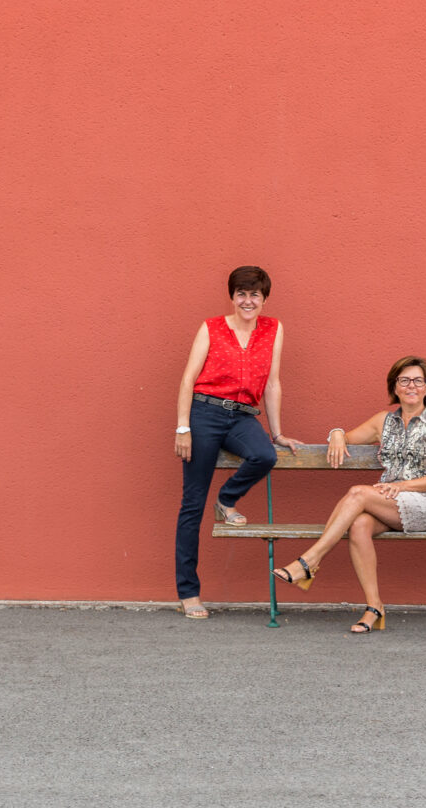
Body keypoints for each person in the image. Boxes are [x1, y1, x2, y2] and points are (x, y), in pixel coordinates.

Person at [270, 356, 426, 633]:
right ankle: (374, 608)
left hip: (425, 504)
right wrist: (336, 433)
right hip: (387, 500)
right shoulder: (383, 421)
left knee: (358, 493)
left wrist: (402, 486)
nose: (411, 386)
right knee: (358, 525)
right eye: (404, 380)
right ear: (394, 387)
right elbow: (347, 437)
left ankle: (310, 561)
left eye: (418, 381)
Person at [172, 266, 308, 620]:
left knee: (264, 455)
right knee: (192, 503)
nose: (248, 301)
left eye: (255, 295)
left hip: (243, 416)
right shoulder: (212, 327)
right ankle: (189, 593)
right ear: (232, 297)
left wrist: (277, 433)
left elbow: (273, 383)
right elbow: (188, 379)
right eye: (242, 294)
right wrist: (183, 427)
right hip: (205, 413)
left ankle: (227, 499)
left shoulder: (273, 329)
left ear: (264, 299)